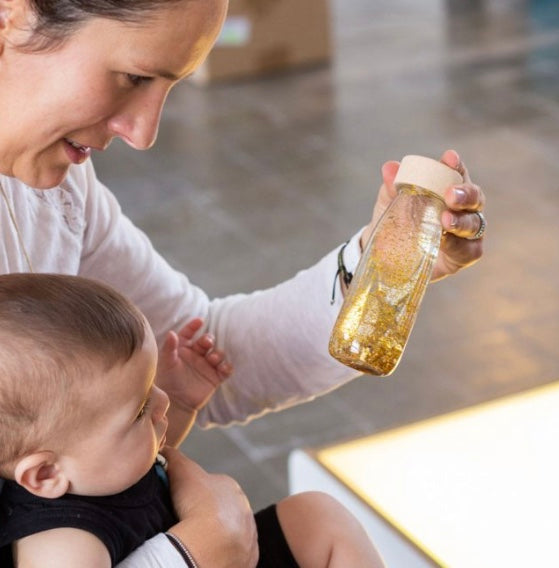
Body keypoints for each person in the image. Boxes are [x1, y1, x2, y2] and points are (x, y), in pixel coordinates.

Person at [0, 0, 486, 565]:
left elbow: (209, 356)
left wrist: (383, 267)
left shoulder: (52, 191)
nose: (144, 132)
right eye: (134, 76)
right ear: (12, 14)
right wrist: (196, 554)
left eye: (169, 86)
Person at [0, 273, 386, 568]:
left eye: (151, 385)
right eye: (138, 412)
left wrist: (183, 404)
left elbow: (152, 458)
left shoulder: (90, 463)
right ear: (46, 475)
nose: (161, 401)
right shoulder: (62, 541)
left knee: (315, 516)